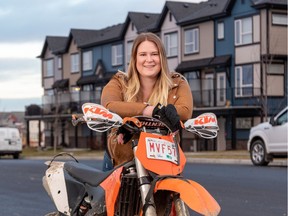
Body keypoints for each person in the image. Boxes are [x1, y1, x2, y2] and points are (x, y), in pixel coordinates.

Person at [101, 32, 193, 171]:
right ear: (134, 58)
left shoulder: (177, 82)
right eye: (143, 54)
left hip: (163, 160)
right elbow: (109, 105)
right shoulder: (119, 82)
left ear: (162, 57)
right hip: (122, 160)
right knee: (108, 192)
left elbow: (185, 111)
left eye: (154, 54)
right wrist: (149, 110)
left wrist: (167, 111)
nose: (149, 59)